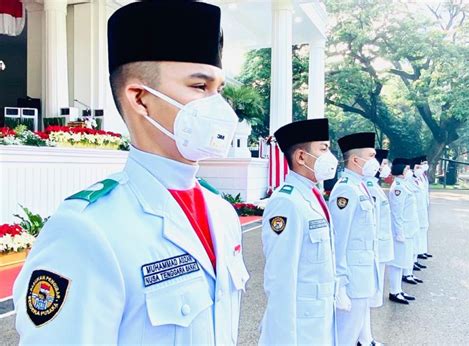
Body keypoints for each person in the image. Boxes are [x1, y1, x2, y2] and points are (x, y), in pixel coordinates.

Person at [13, 1, 249, 344]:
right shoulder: (88, 230)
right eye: (200, 87)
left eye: (219, 90)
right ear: (140, 98)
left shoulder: (221, 213)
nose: (219, 107)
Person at [259, 119, 338, 346]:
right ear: (301, 157)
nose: (329, 156)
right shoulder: (287, 202)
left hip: (319, 316)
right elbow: (279, 278)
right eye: (323, 149)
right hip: (300, 326)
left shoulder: (310, 194)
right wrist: (282, 338)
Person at [328, 132, 381, 346]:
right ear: (356, 160)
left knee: (354, 328)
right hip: (352, 276)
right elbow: (339, 238)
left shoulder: (360, 185)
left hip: (363, 272)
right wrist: (340, 284)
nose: (375, 161)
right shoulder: (345, 189)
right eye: (371, 155)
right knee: (345, 335)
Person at [358, 149, 395, 345]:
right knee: (363, 300)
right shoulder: (368, 186)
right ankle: (363, 338)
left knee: (366, 300)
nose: (384, 167)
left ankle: (365, 337)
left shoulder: (371, 185)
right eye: (382, 163)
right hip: (372, 250)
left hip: (377, 248)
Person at [387, 159, 417, 305]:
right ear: (401, 171)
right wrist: (399, 232)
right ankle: (394, 291)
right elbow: (396, 212)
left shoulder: (404, 185)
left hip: (408, 230)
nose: (409, 171)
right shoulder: (398, 188)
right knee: (397, 263)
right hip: (401, 231)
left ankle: (398, 290)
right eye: (406, 169)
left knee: (402, 261)